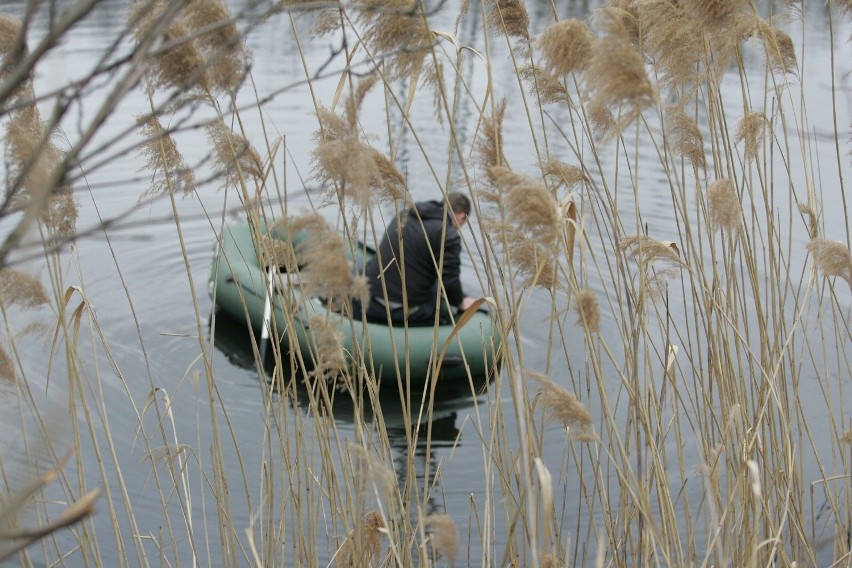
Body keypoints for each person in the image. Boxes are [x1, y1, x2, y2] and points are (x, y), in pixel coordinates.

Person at [356, 192, 477, 325]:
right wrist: (460, 301)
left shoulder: (404, 215)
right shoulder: (448, 235)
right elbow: (449, 280)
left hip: (369, 298)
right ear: (462, 217)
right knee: (436, 289)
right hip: (404, 311)